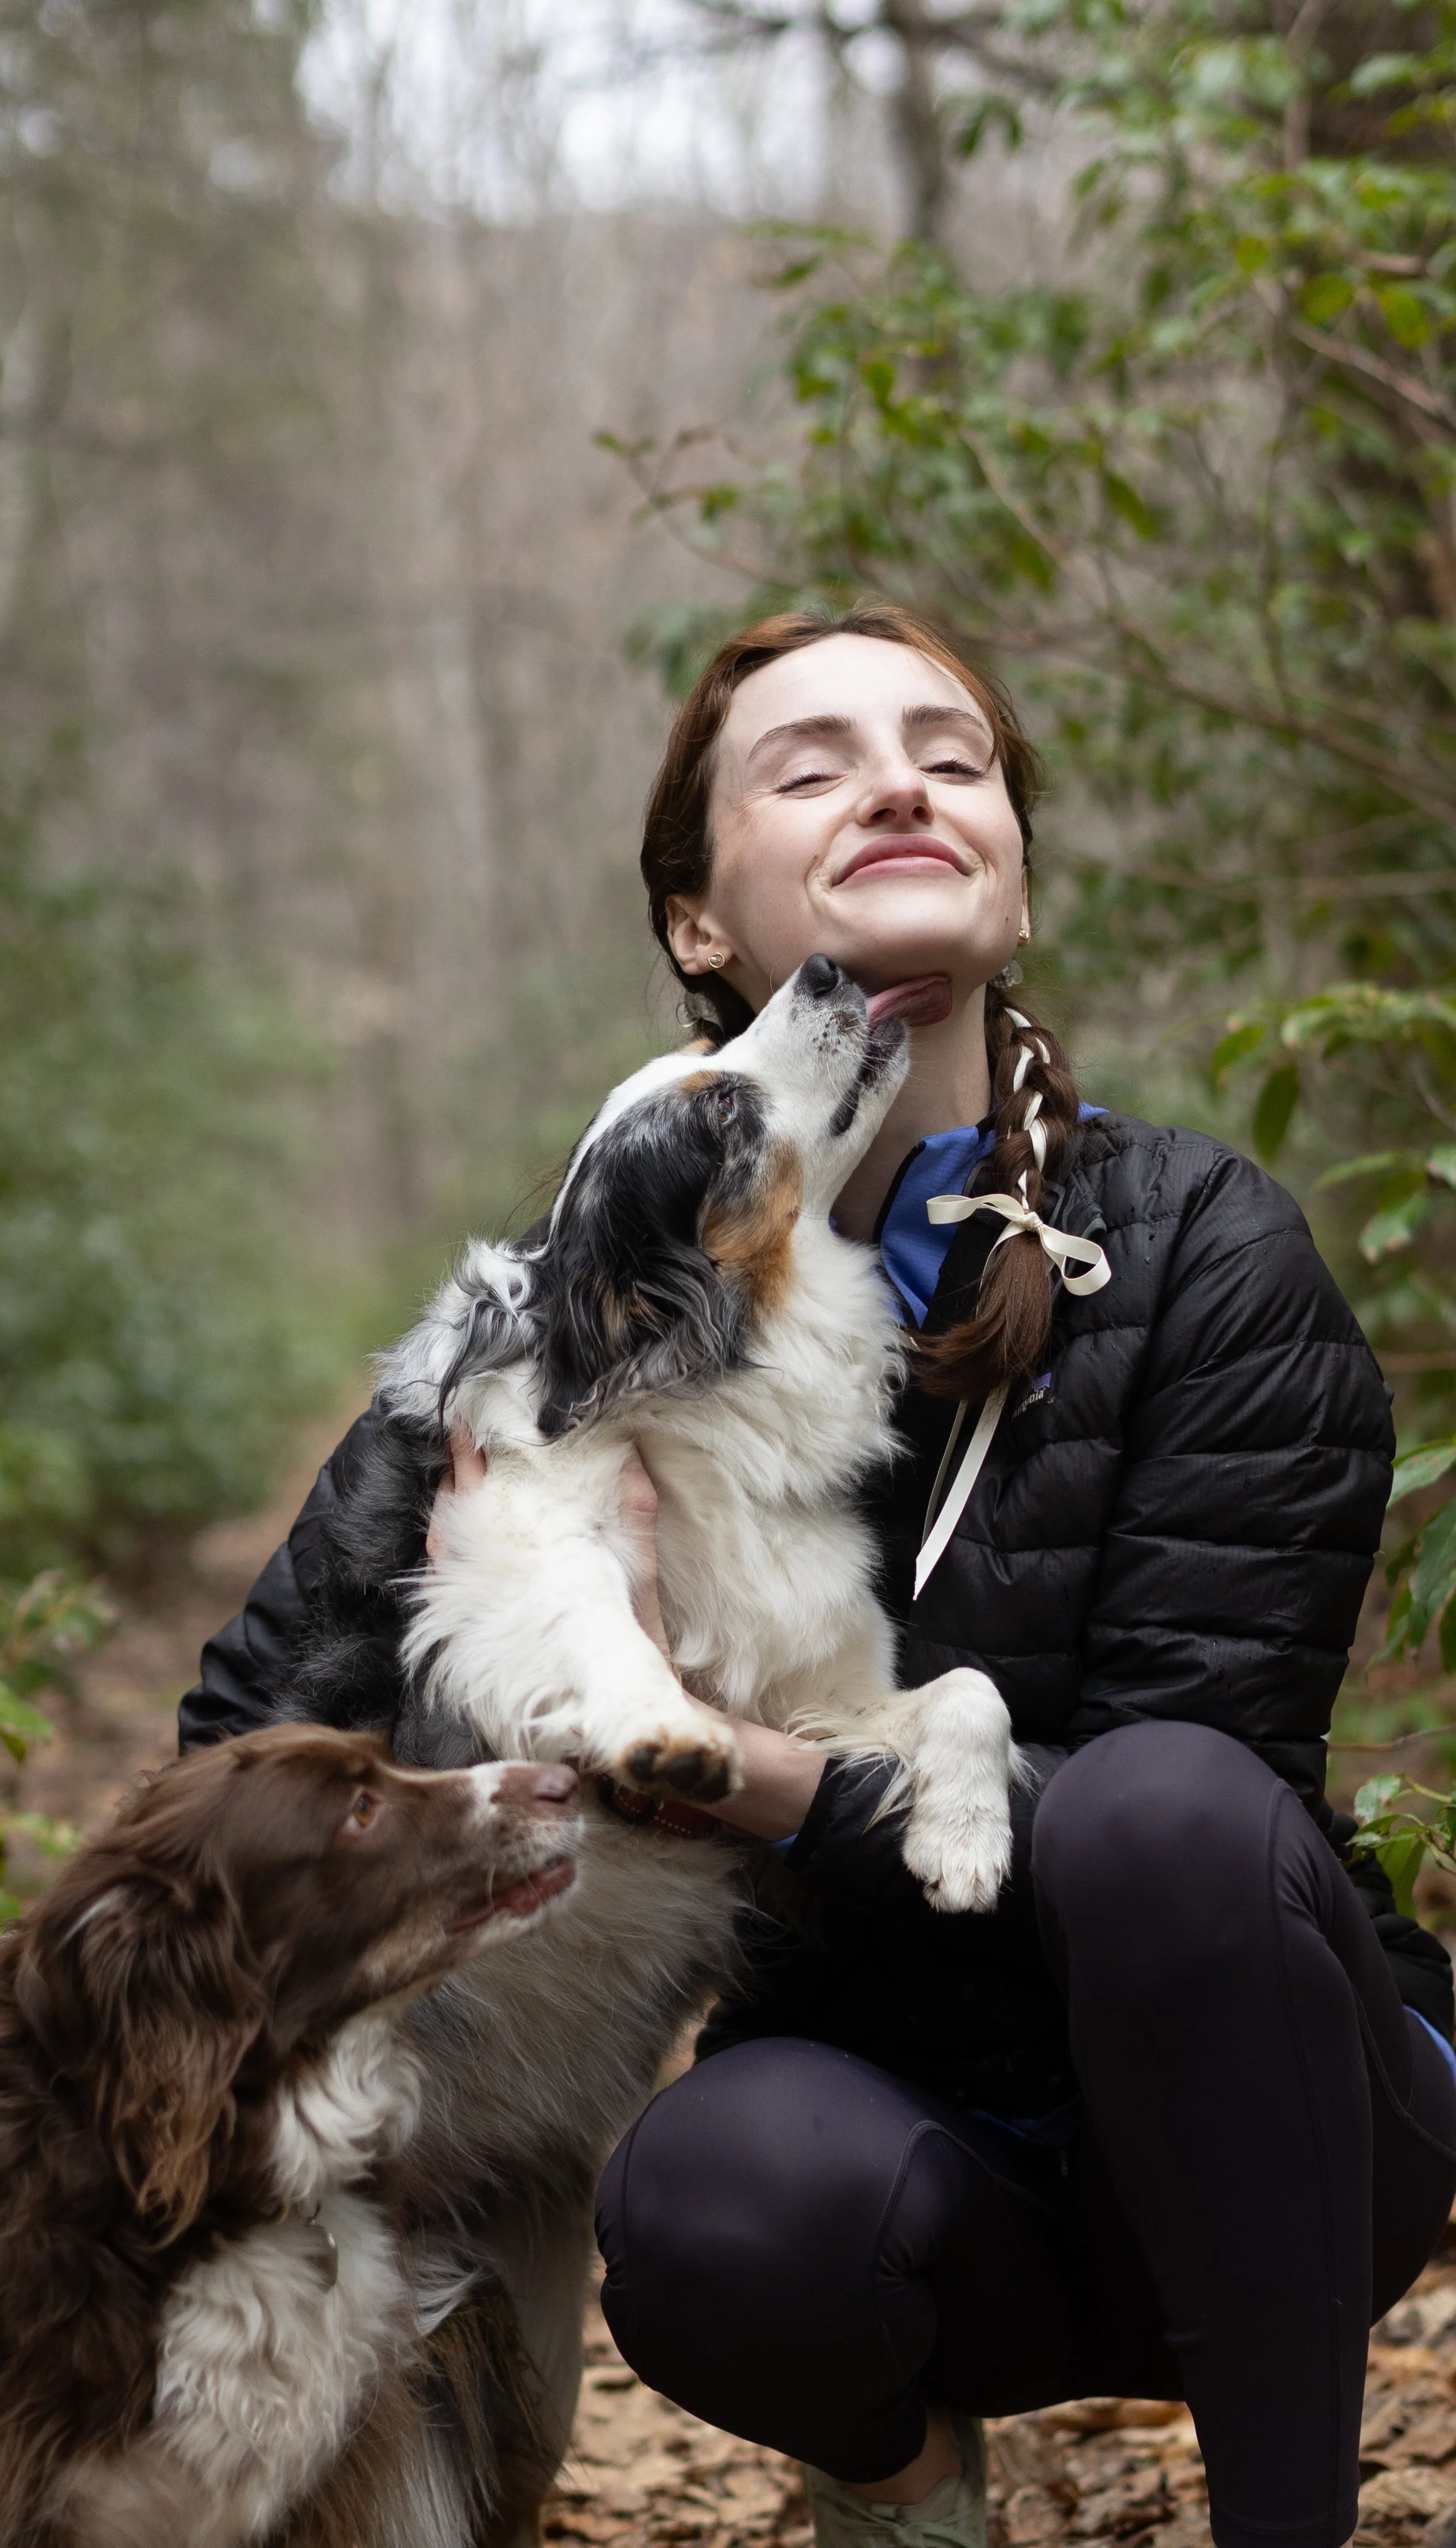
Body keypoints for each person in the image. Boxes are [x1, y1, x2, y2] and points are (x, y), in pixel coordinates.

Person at [180, 603, 1456, 2548]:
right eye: (811, 760)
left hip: (1268, 2116)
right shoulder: (575, 1299)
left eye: (950, 754)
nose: (896, 780)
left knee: (1160, 1809)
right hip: (899, 2138)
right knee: (711, 2202)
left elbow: (1194, 1818)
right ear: (700, 922)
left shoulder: (1201, 1246)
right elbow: (243, 1744)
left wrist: (736, 1763)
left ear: (1011, 873)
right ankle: (904, 2483)